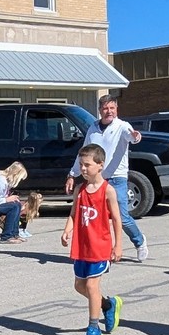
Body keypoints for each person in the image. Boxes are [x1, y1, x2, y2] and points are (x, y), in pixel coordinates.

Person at [65, 95, 149, 261]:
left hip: (117, 178)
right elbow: (83, 154)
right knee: (97, 218)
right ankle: (99, 251)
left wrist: (136, 136)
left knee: (122, 217)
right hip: (97, 180)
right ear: (100, 110)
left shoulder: (122, 126)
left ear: (116, 109)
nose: (109, 111)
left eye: (112, 108)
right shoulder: (93, 128)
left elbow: (132, 137)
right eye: (105, 108)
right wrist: (72, 174)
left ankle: (139, 241)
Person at [60, 143, 123, 335]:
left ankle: (94, 329)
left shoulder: (108, 191)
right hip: (82, 246)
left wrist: (118, 246)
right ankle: (108, 304)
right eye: (81, 164)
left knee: (91, 286)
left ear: (100, 165)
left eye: (87, 165)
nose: (83, 168)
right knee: (79, 286)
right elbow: (74, 214)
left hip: (100, 247)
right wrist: (67, 230)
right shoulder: (80, 190)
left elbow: (117, 219)